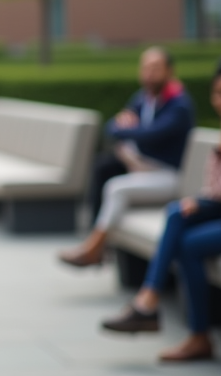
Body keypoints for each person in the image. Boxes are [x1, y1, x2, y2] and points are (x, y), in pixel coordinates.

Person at [101, 57, 221, 362]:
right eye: (220, 92)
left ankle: (160, 308)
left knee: (181, 227)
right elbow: (216, 185)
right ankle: (172, 317)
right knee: (180, 225)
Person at [60, 47, 195, 267]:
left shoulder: (178, 104)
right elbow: (112, 126)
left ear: (169, 71)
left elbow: (151, 135)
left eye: (155, 68)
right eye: (145, 68)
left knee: (116, 187)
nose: (149, 73)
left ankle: (94, 248)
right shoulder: (144, 98)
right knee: (103, 166)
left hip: (168, 175)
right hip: (142, 168)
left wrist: (130, 131)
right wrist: (129, 131)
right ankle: (96, 241)